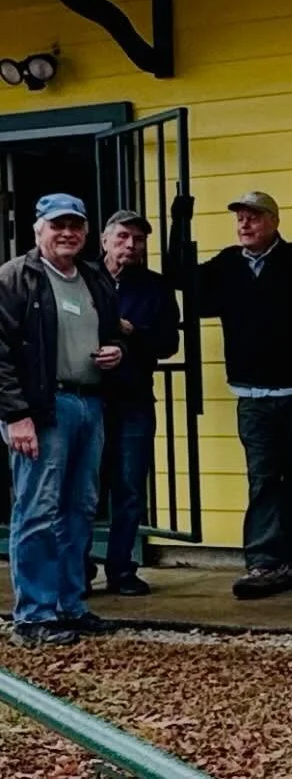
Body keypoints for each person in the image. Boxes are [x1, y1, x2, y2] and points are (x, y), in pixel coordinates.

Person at [194, 191, 292, 600]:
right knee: (263, 479)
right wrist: (180, 219)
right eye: (240, 218)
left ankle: (290, 562)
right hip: (253, 397)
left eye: (254, 217)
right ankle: (262, 561)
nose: (245, 224)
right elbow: (183, 283)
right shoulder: (226, 266)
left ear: (275, 221)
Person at [0, 194, 123, 647]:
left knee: (80, 509)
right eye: (57, 225)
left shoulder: (94, 277)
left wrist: (117, 351)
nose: (66, 233)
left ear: (87, 233)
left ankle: (71, 605)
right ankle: (33, 615)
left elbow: (110, 331)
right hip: (42, 409)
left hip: (89, 403)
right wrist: (16, 416)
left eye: (75, 225)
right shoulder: (15, 279)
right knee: (37, 510)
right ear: (38, 230)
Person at [95, 209, 180, 598]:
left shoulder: (156, 287)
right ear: (105, 240)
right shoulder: (81, 279)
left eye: (140, 239)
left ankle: (121, 570)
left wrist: (133, 333)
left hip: (133, 399)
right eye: (123, 237)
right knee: (85, 489)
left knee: (129, 487)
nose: (131, 245)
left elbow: (168, 344)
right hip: (88, 398)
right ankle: (77, 567)